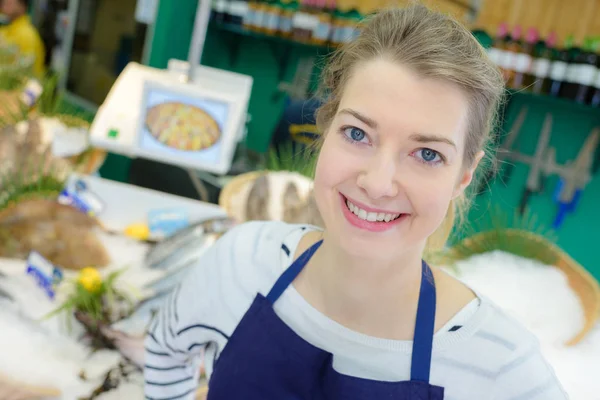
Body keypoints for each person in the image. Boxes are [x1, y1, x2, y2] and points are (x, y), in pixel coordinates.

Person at [144, 4, 568, 400]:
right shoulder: (239, 263)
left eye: (427, 154)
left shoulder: (500, 366)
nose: (378, 183)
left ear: (463, 177)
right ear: (325, 131)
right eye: (357, 134)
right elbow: (164, 351)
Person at [0, 0, 45, 77]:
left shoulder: (27, 34)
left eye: (10, 2)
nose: (5, 3)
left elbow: (25, 70)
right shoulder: (7, 29)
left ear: (23, 6)